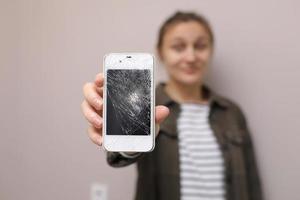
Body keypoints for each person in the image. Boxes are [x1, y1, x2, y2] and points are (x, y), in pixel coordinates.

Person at [81, 11, 263, 200]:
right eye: (178, 47)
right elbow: (118, 157)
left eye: (200, 46)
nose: (191, 57)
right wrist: (118, 123)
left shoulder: (232, 113)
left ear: (211, 50)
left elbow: (252, 183)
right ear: (161, 52)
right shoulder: (145, 106)